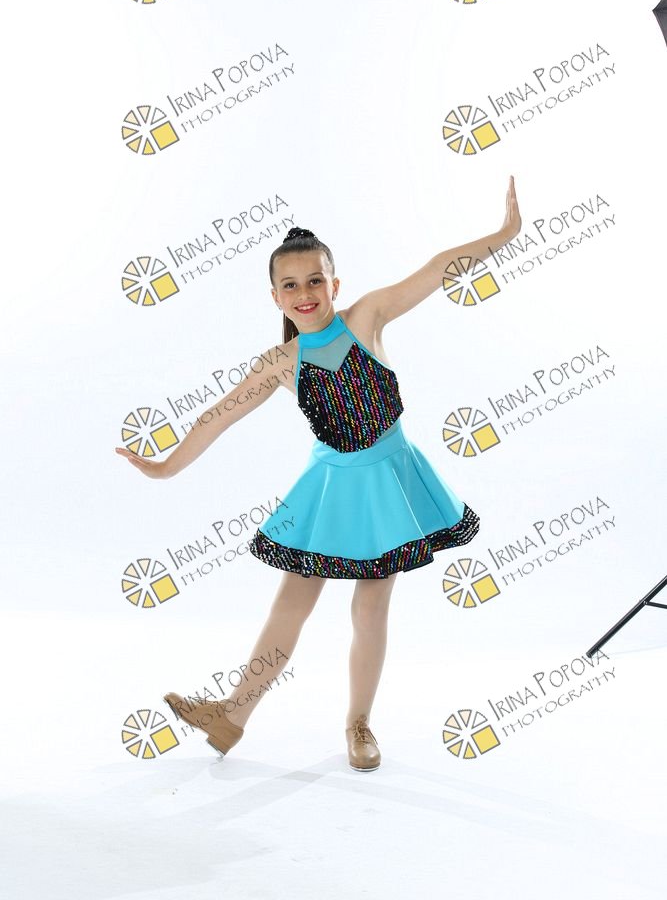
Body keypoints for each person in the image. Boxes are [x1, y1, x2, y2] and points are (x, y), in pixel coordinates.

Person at [116, 175, 521, 771]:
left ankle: (359, 723)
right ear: (274, 296)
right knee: (290, 605)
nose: (304, 293)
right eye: (290, 285)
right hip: (328, 489)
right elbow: (216, 417)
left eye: (314, 280)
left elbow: (438, 268)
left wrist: (505, 233)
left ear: (334, 284)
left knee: (370, 608)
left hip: (388, 485)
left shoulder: (367, 318)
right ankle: (232, 715)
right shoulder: (280, 362)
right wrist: (163, 468)